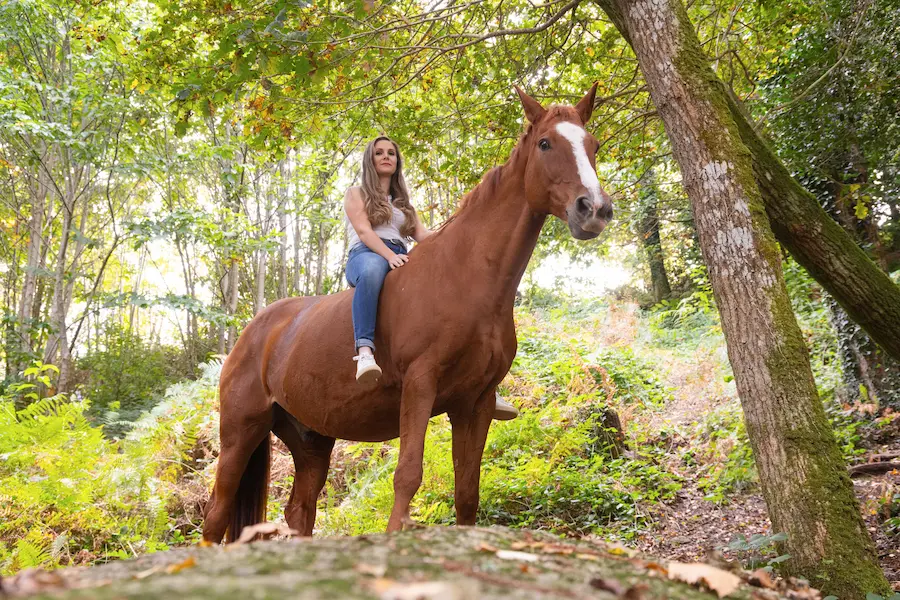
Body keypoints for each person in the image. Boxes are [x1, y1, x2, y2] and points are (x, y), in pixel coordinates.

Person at [343, 135, 519, 420]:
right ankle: (364, 351)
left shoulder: (403, 205)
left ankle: (484, 384)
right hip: (367, 255)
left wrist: (463, 233)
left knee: (448, 291)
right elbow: (364, 232)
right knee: (374, 272)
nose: (386, 156)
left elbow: (424, 236)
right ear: (370, 159)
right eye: (379, 153)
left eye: (391, 153)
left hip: (402, 255)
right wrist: (388, 256)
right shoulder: (356, 194)